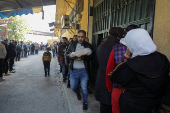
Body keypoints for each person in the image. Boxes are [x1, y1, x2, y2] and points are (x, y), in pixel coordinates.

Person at [108, 28, 169, 113]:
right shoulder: (163, 59)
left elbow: (113, 76)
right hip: (154, 106)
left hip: (131, 107)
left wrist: (126, 59)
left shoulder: (130, 65)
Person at [106, 25, 139, 113]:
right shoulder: (144, 50)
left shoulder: (116, 49)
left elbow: (109, 70)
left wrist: (110, 88)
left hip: (118, 88)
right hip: (137, 91)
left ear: (125, 35)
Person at [66, 30, 93, 111]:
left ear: (85, 37)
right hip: (73, 70)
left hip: (83, 70)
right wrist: (71, 56)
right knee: (73, 87)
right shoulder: (72, 44)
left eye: (82, 37)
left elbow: (91, 57)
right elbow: (67, 54)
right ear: (77, 37)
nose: (80, 38)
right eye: (79, 37)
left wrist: (83, 57)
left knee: (84, 88)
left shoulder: (88, 45)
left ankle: (85, 102)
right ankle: (77, 92)